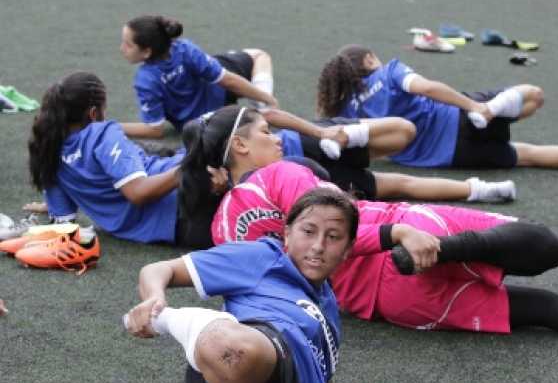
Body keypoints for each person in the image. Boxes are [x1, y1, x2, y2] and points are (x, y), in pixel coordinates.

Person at [191, 105, 558, 339]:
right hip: (404, 233)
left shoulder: (221, 230)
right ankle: (449, 250)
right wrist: (397, 235)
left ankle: (442, 252)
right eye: (265, 131)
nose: (277, 138)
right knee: (545, 244)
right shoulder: (278, 175)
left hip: (383, 303)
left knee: (544, 308)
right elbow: (330, 228)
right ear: (241, 144)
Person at [124, 188, 421, 383]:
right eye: (308, 231)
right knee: (232, 351)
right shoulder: (263, 256)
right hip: (248, 347)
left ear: (347, 249)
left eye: (332, 237)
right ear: (287, 234)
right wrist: (153, 299)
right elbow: (159, 268)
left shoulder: (328, 308)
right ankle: (171, 320)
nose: (318, 246)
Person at [316, 44, 558, 171]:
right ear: (369, 59)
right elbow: (427, 88)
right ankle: (494, 108)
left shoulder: (347, 111)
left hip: (450, 157)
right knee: (532, 96)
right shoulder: (389, 72)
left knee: (525, 155)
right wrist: (473, 105)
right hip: (458, 118)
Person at [27, 71, 218, 248]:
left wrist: (49, 206)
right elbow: (138, 192)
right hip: (186, 201)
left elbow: (63, 222)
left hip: (180, 230)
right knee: (222, 127)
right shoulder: (101, 133)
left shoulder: (48, 152)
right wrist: (191, 166)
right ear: (93, 113)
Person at [261, 108, 515, 202]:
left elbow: (268, 115)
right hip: (303, 179)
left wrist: (321, 132)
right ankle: (482, 190)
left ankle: (344, 137)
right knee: (399, 185)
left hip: (307, 143)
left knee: (403, 131)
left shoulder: (223, 125)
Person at [119, 15, 278, 139]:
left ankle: (262, 110)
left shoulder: (145, 80)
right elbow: (228, 80)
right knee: (259, 56)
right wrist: (265, 97)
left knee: (225, 63)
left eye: (127, 44)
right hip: (221, 92)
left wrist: (114, 126)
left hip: (206, 123)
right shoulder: (184, 49)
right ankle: (263, 108)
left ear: (147, 51)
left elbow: (154, 129)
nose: (122, 48)